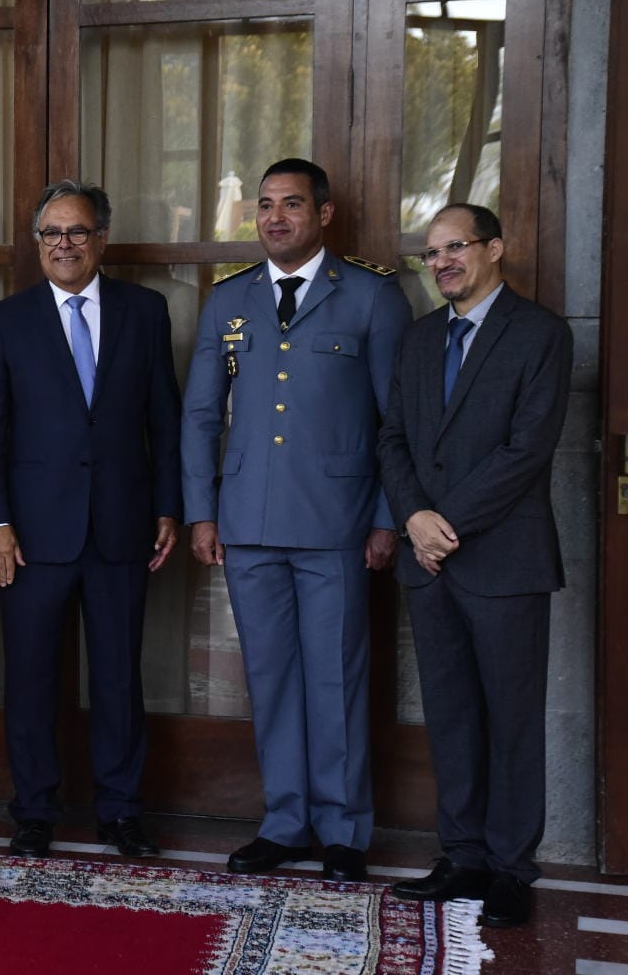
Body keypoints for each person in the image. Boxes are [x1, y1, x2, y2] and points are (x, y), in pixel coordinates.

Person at [181, 158, 411, 883]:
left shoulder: (372, 296)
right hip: (247, 522)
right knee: (271, 677)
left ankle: (343, 830)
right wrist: (201, 512)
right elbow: (199, 416)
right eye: (265, 205)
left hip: (336, 523)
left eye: (291, 204)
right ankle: (284, 823)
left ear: (324, 213)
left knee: (336, 679)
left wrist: (386, 518)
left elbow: (397, 423)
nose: (275, 218)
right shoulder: (230, 299)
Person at [0, 180, 182, 859]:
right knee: (32, 677)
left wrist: (168, 505)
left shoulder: (145, 312)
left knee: (118, 678)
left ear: (101, 239)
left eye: (77, 231)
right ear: (38, 243)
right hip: (31, 537)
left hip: (122, 526)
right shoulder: (8, 319)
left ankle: (121, 811)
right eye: (52, 233)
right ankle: (34, 810)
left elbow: (165, 421)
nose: (64, 244)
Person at [376, 204, 571, 928]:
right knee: (452, 715)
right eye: (432, 253)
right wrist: (413, 518)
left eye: (455, 247)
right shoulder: (420, 338)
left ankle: (512, 869)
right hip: (429, 563)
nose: (442, 263)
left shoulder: (541, 334)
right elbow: (392, 438)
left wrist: (442, 523)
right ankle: (462, 857)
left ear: (495, 248)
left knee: (512, 720)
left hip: (504, 560)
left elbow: (527, 449)